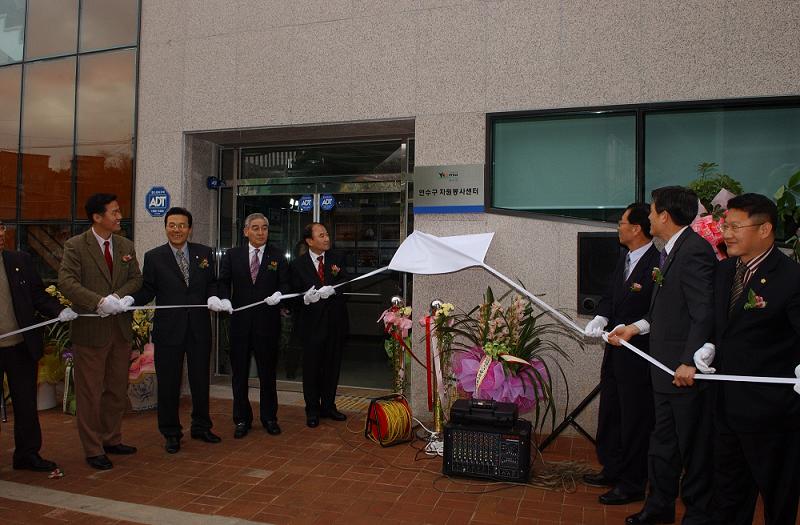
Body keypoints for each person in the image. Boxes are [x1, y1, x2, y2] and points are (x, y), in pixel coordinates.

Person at [608, 186, 716, 525]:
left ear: (665, 216)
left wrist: (688, 360)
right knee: (663, 445)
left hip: (682, 373)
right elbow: (666, 312)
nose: (650, 216)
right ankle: (659, 508)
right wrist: (634, 329)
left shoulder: (694, 251)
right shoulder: (671, 250)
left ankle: (696, 515)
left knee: (692, 450)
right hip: (663, 371)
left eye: (653, 212)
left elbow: (703, 313)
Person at [693, 194, 800, 525]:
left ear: (765, 228)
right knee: (727, 494)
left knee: (777, 497)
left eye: (736, 226)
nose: (726, 232)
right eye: (725, 225)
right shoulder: (725, 270)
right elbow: (721, 324)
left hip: (771, 414)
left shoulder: (791, 277)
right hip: (725, 407)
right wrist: (709, 345)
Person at [58, 193, 143, 470]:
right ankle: (93, 448)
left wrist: (120, 298)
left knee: (116, 389)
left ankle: (112, 438)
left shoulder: (125, 245)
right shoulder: (75, 246)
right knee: (90, 393)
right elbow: (67, 283)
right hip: (91, 331)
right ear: (97, 217)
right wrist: (98, 301)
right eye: (114, 212)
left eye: (119, 212)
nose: (119, 217)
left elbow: (136, 279)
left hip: (119, 330)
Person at [126, 207, 221, 453]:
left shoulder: (205, 253)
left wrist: (214, 298)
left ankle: (201, 426)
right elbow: (148, 289)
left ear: (190, 228)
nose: (177, 230)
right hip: (169, 330)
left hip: (199, 328)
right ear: (166, 227)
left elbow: (212, 283)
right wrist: (127, 299)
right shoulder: (154, 256)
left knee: (201, 381)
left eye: (182, 225)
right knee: (169, 383)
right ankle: (171, 432)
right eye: (172, 225)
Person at [583, 203, 659, 505]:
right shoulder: (624, 258)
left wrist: (633, 328)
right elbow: (611, 295)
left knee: (635, 420)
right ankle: (612, 468)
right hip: (614, 353)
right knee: (612, 414)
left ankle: (633, 483)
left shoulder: (658, 263)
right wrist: (601, 317)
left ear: (636, 228)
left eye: (622, 222)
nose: (618, 227)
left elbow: (659, 311)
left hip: (639, 357)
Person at [0, 220, 77, 471]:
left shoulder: (19, 261)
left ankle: (27, 454)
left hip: (20, 347)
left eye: (1, 228)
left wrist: (60, 310)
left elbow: (38, 296)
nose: (1, 234)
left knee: (25, 405)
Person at [218, 213, 289, 439]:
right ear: (246, 231)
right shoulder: (233, 255)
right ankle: (241, 419)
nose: (261, 232)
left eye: (265, 228)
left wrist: (281, 295)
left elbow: (286, 284)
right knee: (239, 375)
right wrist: (224, 299)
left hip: (267, 325)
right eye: (256, 228)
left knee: (268, 374)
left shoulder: (278, 255)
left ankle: (269, 418)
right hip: (239, 324)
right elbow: (222, 282)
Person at [290, 222, 349, 428]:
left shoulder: (337, 258)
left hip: (335, 323)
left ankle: (329, 406)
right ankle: (312, 409)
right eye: (321, 235)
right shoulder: (298, 265)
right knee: (312, 368)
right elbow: (292, 295)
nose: (326, 238)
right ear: (309, 241)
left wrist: (334, 290)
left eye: (326, 234)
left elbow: (347, 282)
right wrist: (305, 299)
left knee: (332, 366)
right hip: (311, 325)